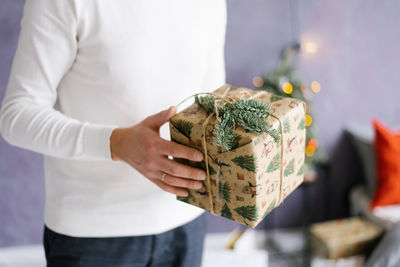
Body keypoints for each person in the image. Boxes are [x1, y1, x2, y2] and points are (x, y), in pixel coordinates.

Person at [0, 0, 227, 266]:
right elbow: (16, 115)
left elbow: (211, 100)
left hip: (187, 220)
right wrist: (115, 144)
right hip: (92, 234)